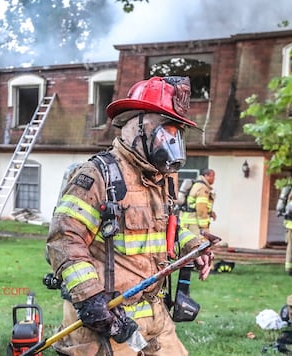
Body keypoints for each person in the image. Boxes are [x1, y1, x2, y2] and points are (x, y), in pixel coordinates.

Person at [46, 76, 213, 355]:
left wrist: (193, 246)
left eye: (176, 133)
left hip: (156, 314)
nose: (171, 141)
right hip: (108, 322)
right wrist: (90, 299)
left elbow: (168, 226)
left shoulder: (163, 179)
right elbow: (65, 239)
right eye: (166, 130)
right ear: (136, 125)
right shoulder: (98, 175)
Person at [179, 168, 216, 236]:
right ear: (206, 176)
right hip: (194, 224)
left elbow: (195, 204)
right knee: (197, 244)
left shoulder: (198, 185)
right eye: (212, 176)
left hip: (187, 221)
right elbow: (201, 209)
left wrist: (210, 212)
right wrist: (204, 227)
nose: (214, 178)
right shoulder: (203, 188)